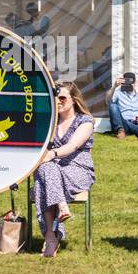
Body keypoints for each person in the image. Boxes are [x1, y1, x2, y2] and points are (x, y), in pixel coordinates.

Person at [33, 82, 96, 257]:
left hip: (78, 170)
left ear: (74, 100)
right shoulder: (49, 121)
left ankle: (51, 236)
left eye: (62, 98)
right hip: (53, 171)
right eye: (55, 98)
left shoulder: (85, 121)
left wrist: (51, 154)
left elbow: (74, 145)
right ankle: (61, 209)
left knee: (43, 177)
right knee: (44, 171)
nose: (58, 102)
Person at [106, 72, 138, 139]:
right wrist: (114, 86)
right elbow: (108, 101)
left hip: (136, 123)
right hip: (123, 123)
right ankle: (120, 131)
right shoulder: (118, 93)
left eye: (131, 82)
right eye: (127, 82)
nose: (130, 85)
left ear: (135, 82)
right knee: (113, 105)